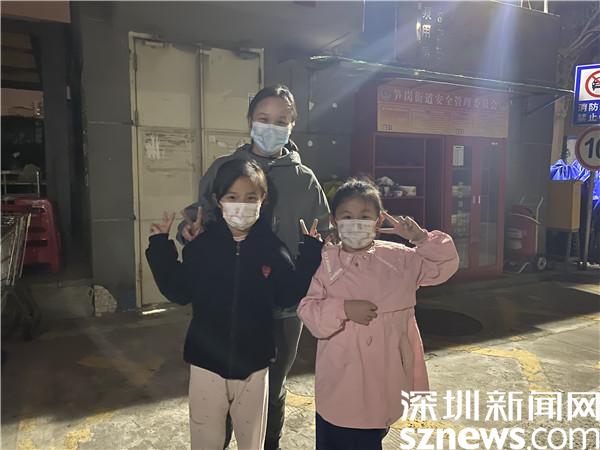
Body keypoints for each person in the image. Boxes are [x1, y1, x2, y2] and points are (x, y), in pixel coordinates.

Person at [177, 84, 330, 450]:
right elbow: (200, 218)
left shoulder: (305, 180)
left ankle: (267, 443)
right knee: (222, 384)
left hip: (283, 306)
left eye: (280, 121)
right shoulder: (224, 169)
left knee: (271, 387)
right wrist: (188, 233)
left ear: (292, 126)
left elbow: (323, 234)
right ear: (249, 121)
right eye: (263, 118)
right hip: (226, 299)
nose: (271, 126)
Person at [147, 160, 323, 450]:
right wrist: (160, 247)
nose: (242, 205)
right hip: (206, 363)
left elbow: (287, 296)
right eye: (232, 197)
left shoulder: (272, 249)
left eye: (251, 197)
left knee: (251, 441)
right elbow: (179, 291)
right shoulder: (202, 247)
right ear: (219, 201)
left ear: (263, 200)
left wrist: (310, 254)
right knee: (205, 439)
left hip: (255, 364)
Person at [297, 178, 459, 450]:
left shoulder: (400, 258)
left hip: (386, 376)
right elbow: (308, 310)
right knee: (340, 432)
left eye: (364, 217)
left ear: (378, 221)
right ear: (334, 221)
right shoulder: (326, 262)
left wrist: (421, 238)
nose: (356, 223)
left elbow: (445, 265)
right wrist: (343, 309)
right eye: (347, 217)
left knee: (373, 429)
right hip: (342, 378)